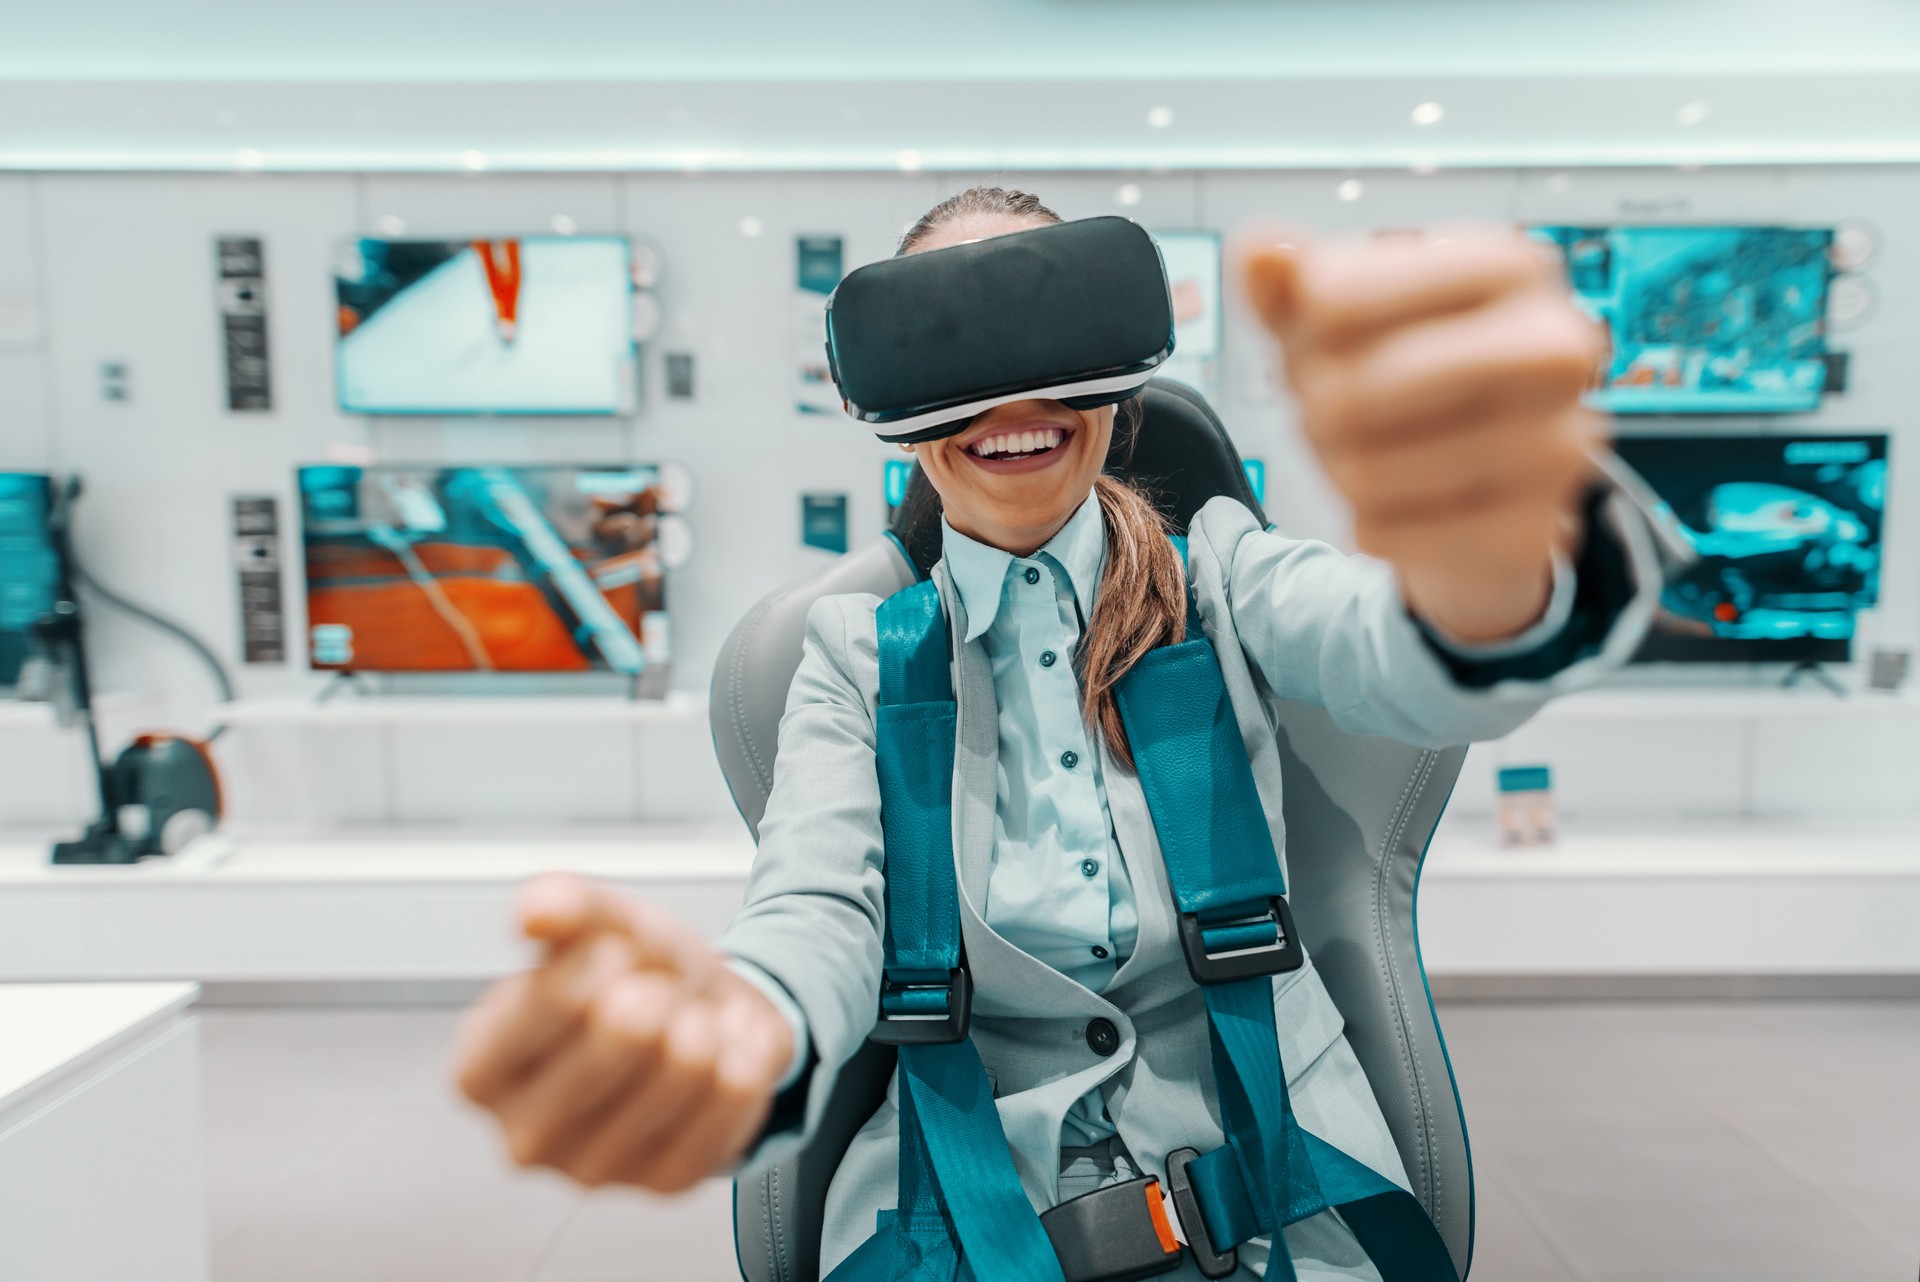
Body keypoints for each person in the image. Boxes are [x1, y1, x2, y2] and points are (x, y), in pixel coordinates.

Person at [454, 187, 1659, 1279]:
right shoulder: (856, 655)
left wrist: (1500, 566)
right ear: (897, 405)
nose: (1013, 404)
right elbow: (813, 906)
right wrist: (741, 1027)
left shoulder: (1228, 581)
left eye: (1047, 338)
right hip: (956, 1208)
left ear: (1116, 374)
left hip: (1282, 1194)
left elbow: (1401, 654)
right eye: (954, 352)